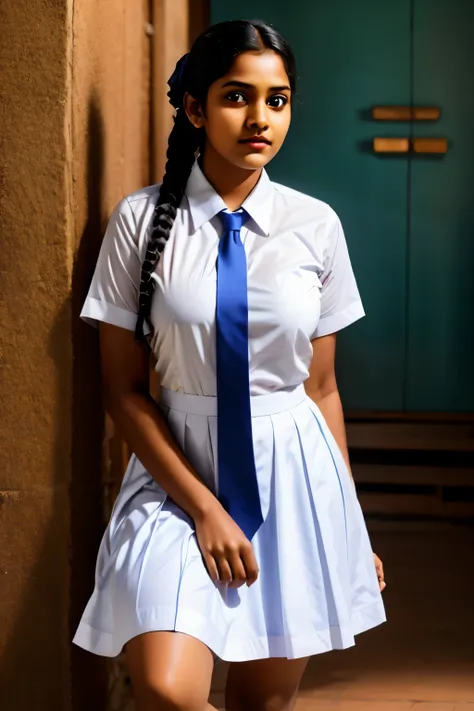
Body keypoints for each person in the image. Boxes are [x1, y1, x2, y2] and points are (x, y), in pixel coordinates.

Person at [73, 18, 386, 711]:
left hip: (297, 480)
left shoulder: (317, 226)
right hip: (176, 476)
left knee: (260, 704)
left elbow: (323, 386)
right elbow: (123, 392)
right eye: (236, 97)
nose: (259, 118)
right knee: (164, 687)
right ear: (194, 108)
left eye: (277, 100)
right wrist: (206, 507)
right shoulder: (140, 221)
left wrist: (348, 527)